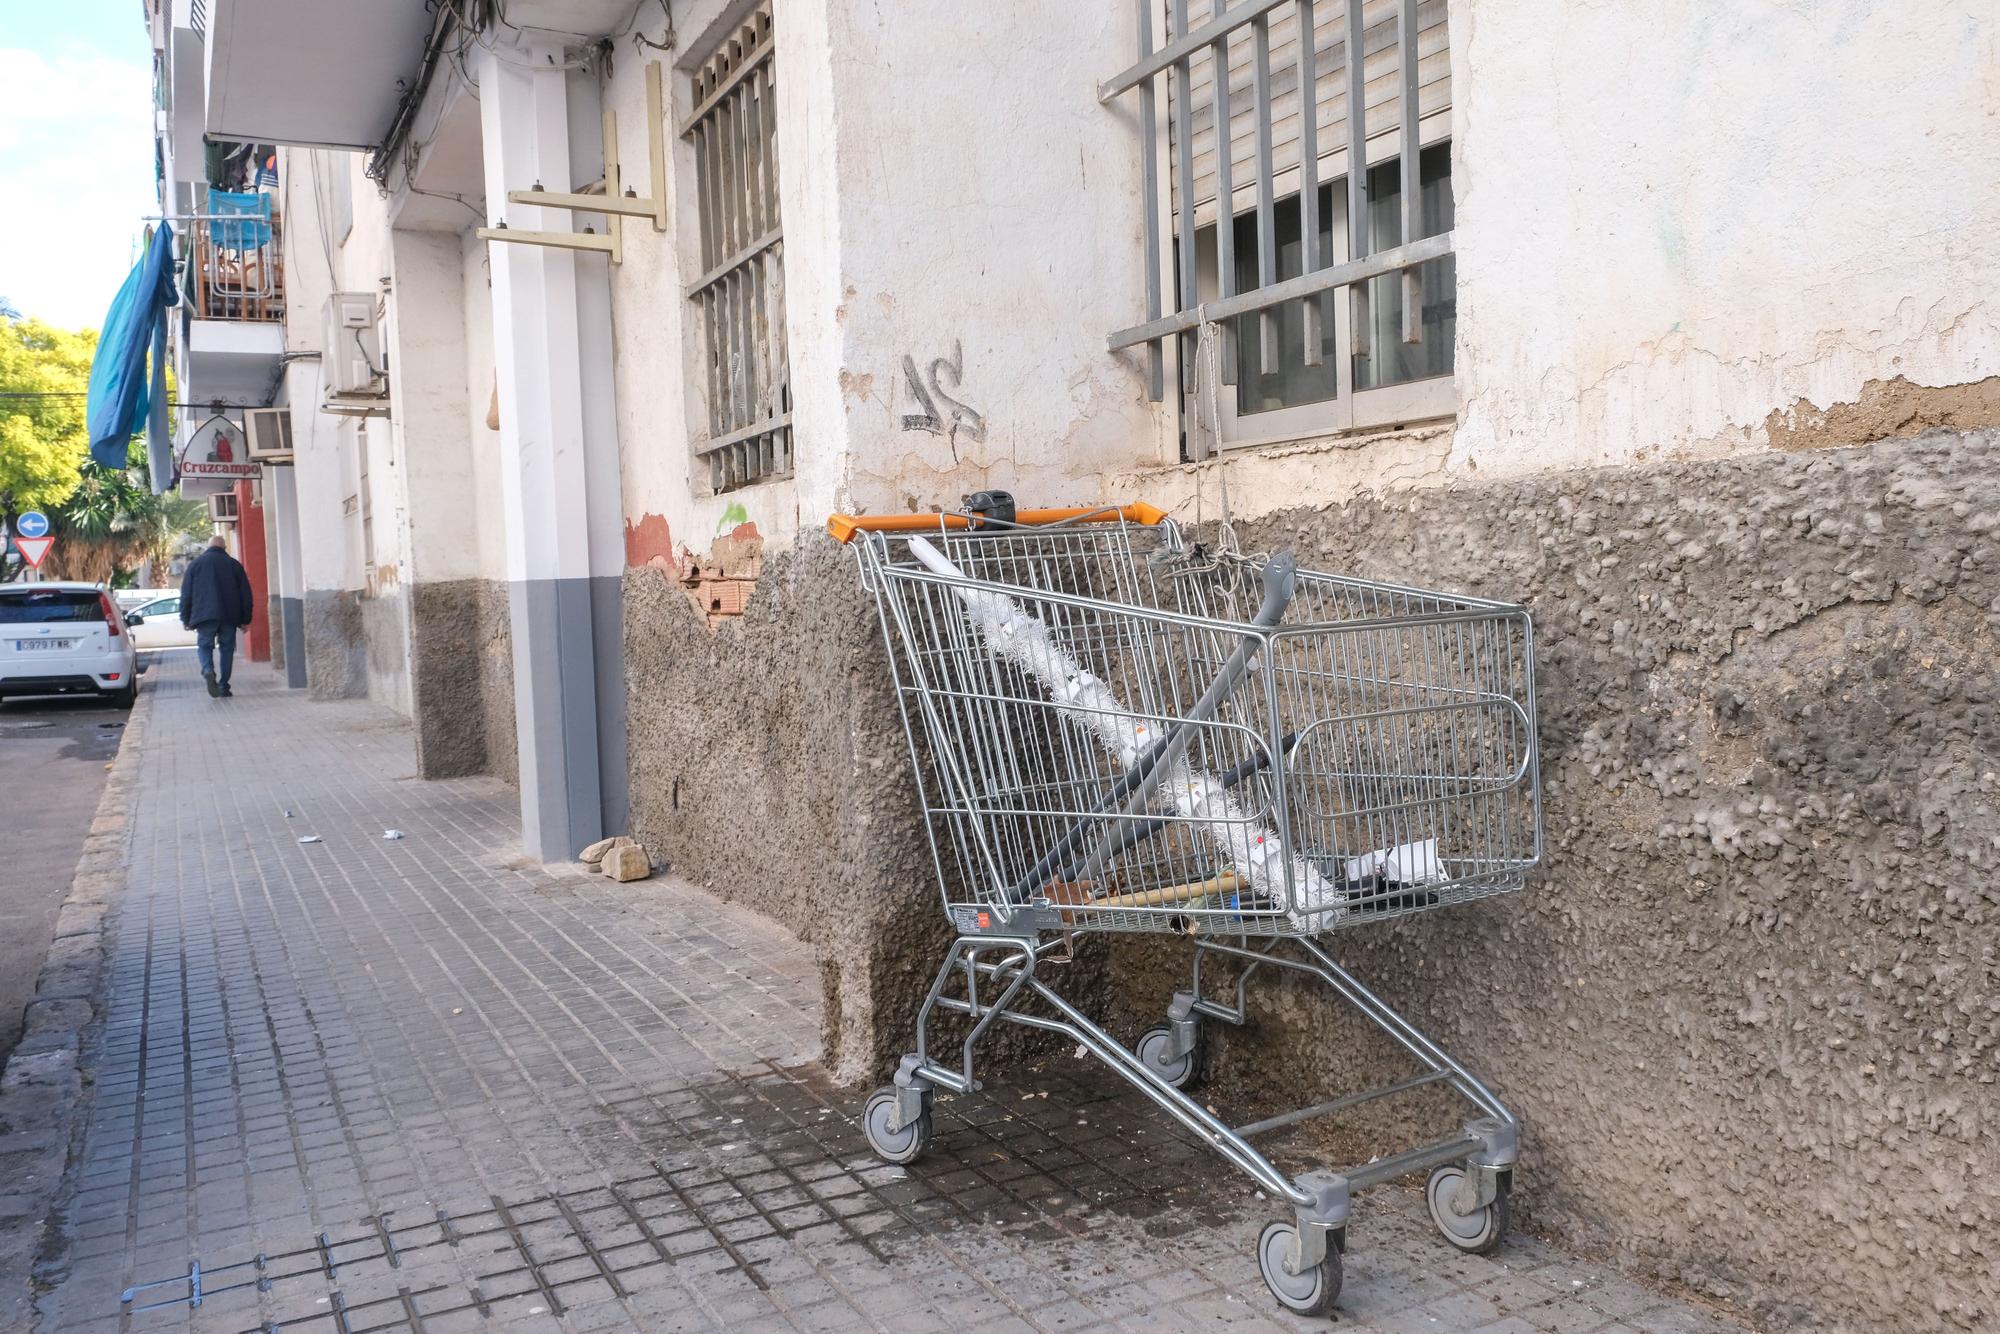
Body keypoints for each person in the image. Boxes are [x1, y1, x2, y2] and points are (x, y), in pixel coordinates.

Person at [179, 533, 254, 698]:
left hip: (204, 616)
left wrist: (185, 618)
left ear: (208, 547)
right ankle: (223, 686)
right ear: (224, 548)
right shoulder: (234, 565)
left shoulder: (195, 565)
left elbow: (186, 594)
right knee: (227, 650)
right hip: (229, 616)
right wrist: (245, 619)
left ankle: (207, 669)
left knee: (205, 646)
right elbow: (245, 594)